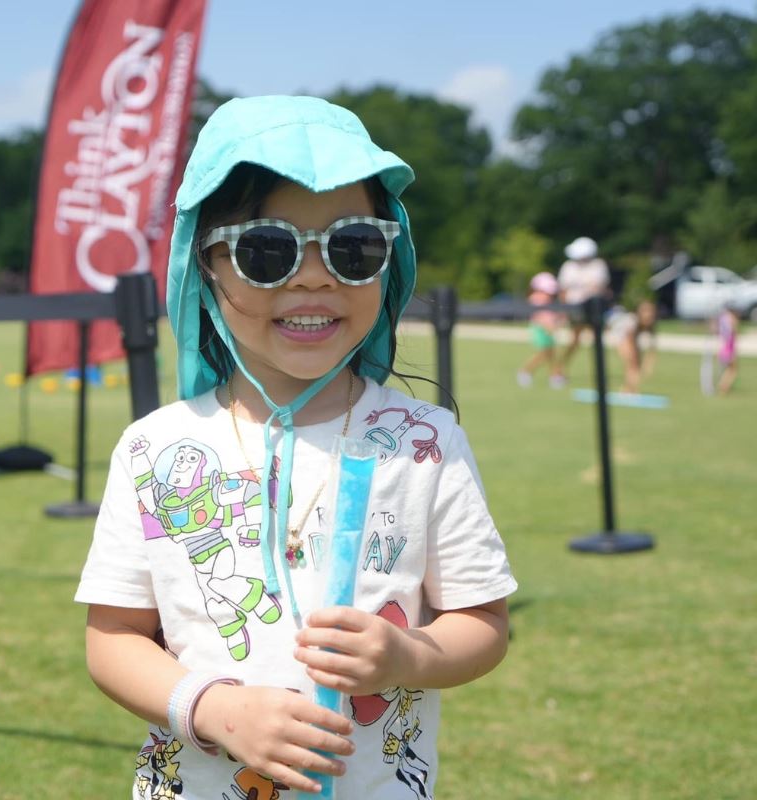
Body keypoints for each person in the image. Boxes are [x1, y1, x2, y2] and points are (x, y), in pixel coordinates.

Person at [75, 96, 517, 800]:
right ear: (206, 265)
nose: (315, 277)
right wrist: (215, 709)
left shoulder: (425, 443)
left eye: (354, 247)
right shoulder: (154, 448)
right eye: (268, 249)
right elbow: (113, 640)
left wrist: (408, 654)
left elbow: (484, 623)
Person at [556, 236, 611, 375]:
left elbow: (600, 288)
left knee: (598, 340)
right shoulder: (569, 266)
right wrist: (563, 311)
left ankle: (599, 372)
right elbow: (563, 290)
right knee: (575, 340)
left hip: (594, 309)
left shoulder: (598, 266)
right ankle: (560, 368)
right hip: (575, 309)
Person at [517, 271, 565, 388]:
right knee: (543, 354)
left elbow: (552, 315)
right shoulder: (536, 299)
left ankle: (555, 376)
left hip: (548, 330)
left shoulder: (548, 300)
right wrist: (549, 327)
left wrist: (558, 320)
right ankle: (525, 372)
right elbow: (540, 317)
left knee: (551, 354)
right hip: (541, 330)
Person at [606, 300, 658, 394]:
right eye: (645, 311)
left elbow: (652, 346)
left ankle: (631, 388)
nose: (648, 315)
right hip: (619, 335)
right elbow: (628, 340)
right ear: (639, 312)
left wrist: (648, 363)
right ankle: (627, 389)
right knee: (631, 362)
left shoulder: (650, 324)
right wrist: (635, 356)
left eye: (651, 312)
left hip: (629, 338)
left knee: (635, 363)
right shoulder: (632, 322)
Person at [715, 304, 739, 395]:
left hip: (723, 348)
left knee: (729, 369)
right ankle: (723, 387)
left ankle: (723, 386)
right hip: (728, 349)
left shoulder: (722, 319)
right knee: (733, 370)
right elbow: (733, 333)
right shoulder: (730, 319)